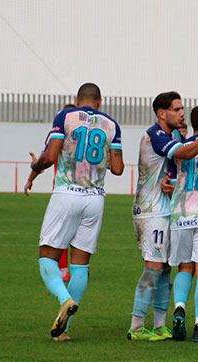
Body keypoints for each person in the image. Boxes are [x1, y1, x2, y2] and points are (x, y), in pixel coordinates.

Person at [128, 91, 198, 341]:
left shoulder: (173, 135)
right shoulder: (156, 135)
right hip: (151, 210)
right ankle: (137, 325)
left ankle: (161, 325)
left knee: (165, 268)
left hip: (169, 211)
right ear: (162, 113)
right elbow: (184, 154)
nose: (181, 113)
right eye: (176, 109)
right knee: (153, 267)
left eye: (183, 109)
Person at [26, 83, 124, 341]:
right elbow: (118, 168)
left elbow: (50, 156)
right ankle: (63, 331)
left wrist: (35, 166)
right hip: (95, 199)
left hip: (67, 194)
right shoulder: (112, 125)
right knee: (80, 264)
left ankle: (65, 299)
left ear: (77, 99)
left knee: (46, 256)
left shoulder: (65, 117)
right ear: (100, 102)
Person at [166, 105, 198, 342]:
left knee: (185, 267)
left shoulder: (181, 147)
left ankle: (179, 307)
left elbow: (169, 176)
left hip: (180, 213)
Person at [25, 103, 78, 283]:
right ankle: (80, 270)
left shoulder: (59, 133)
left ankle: (63, 271)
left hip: (64, 192)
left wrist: (32, 175)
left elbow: (45, 158)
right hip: (88, 193)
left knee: (59, 232)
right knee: (78, 233)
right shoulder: (91, 132)